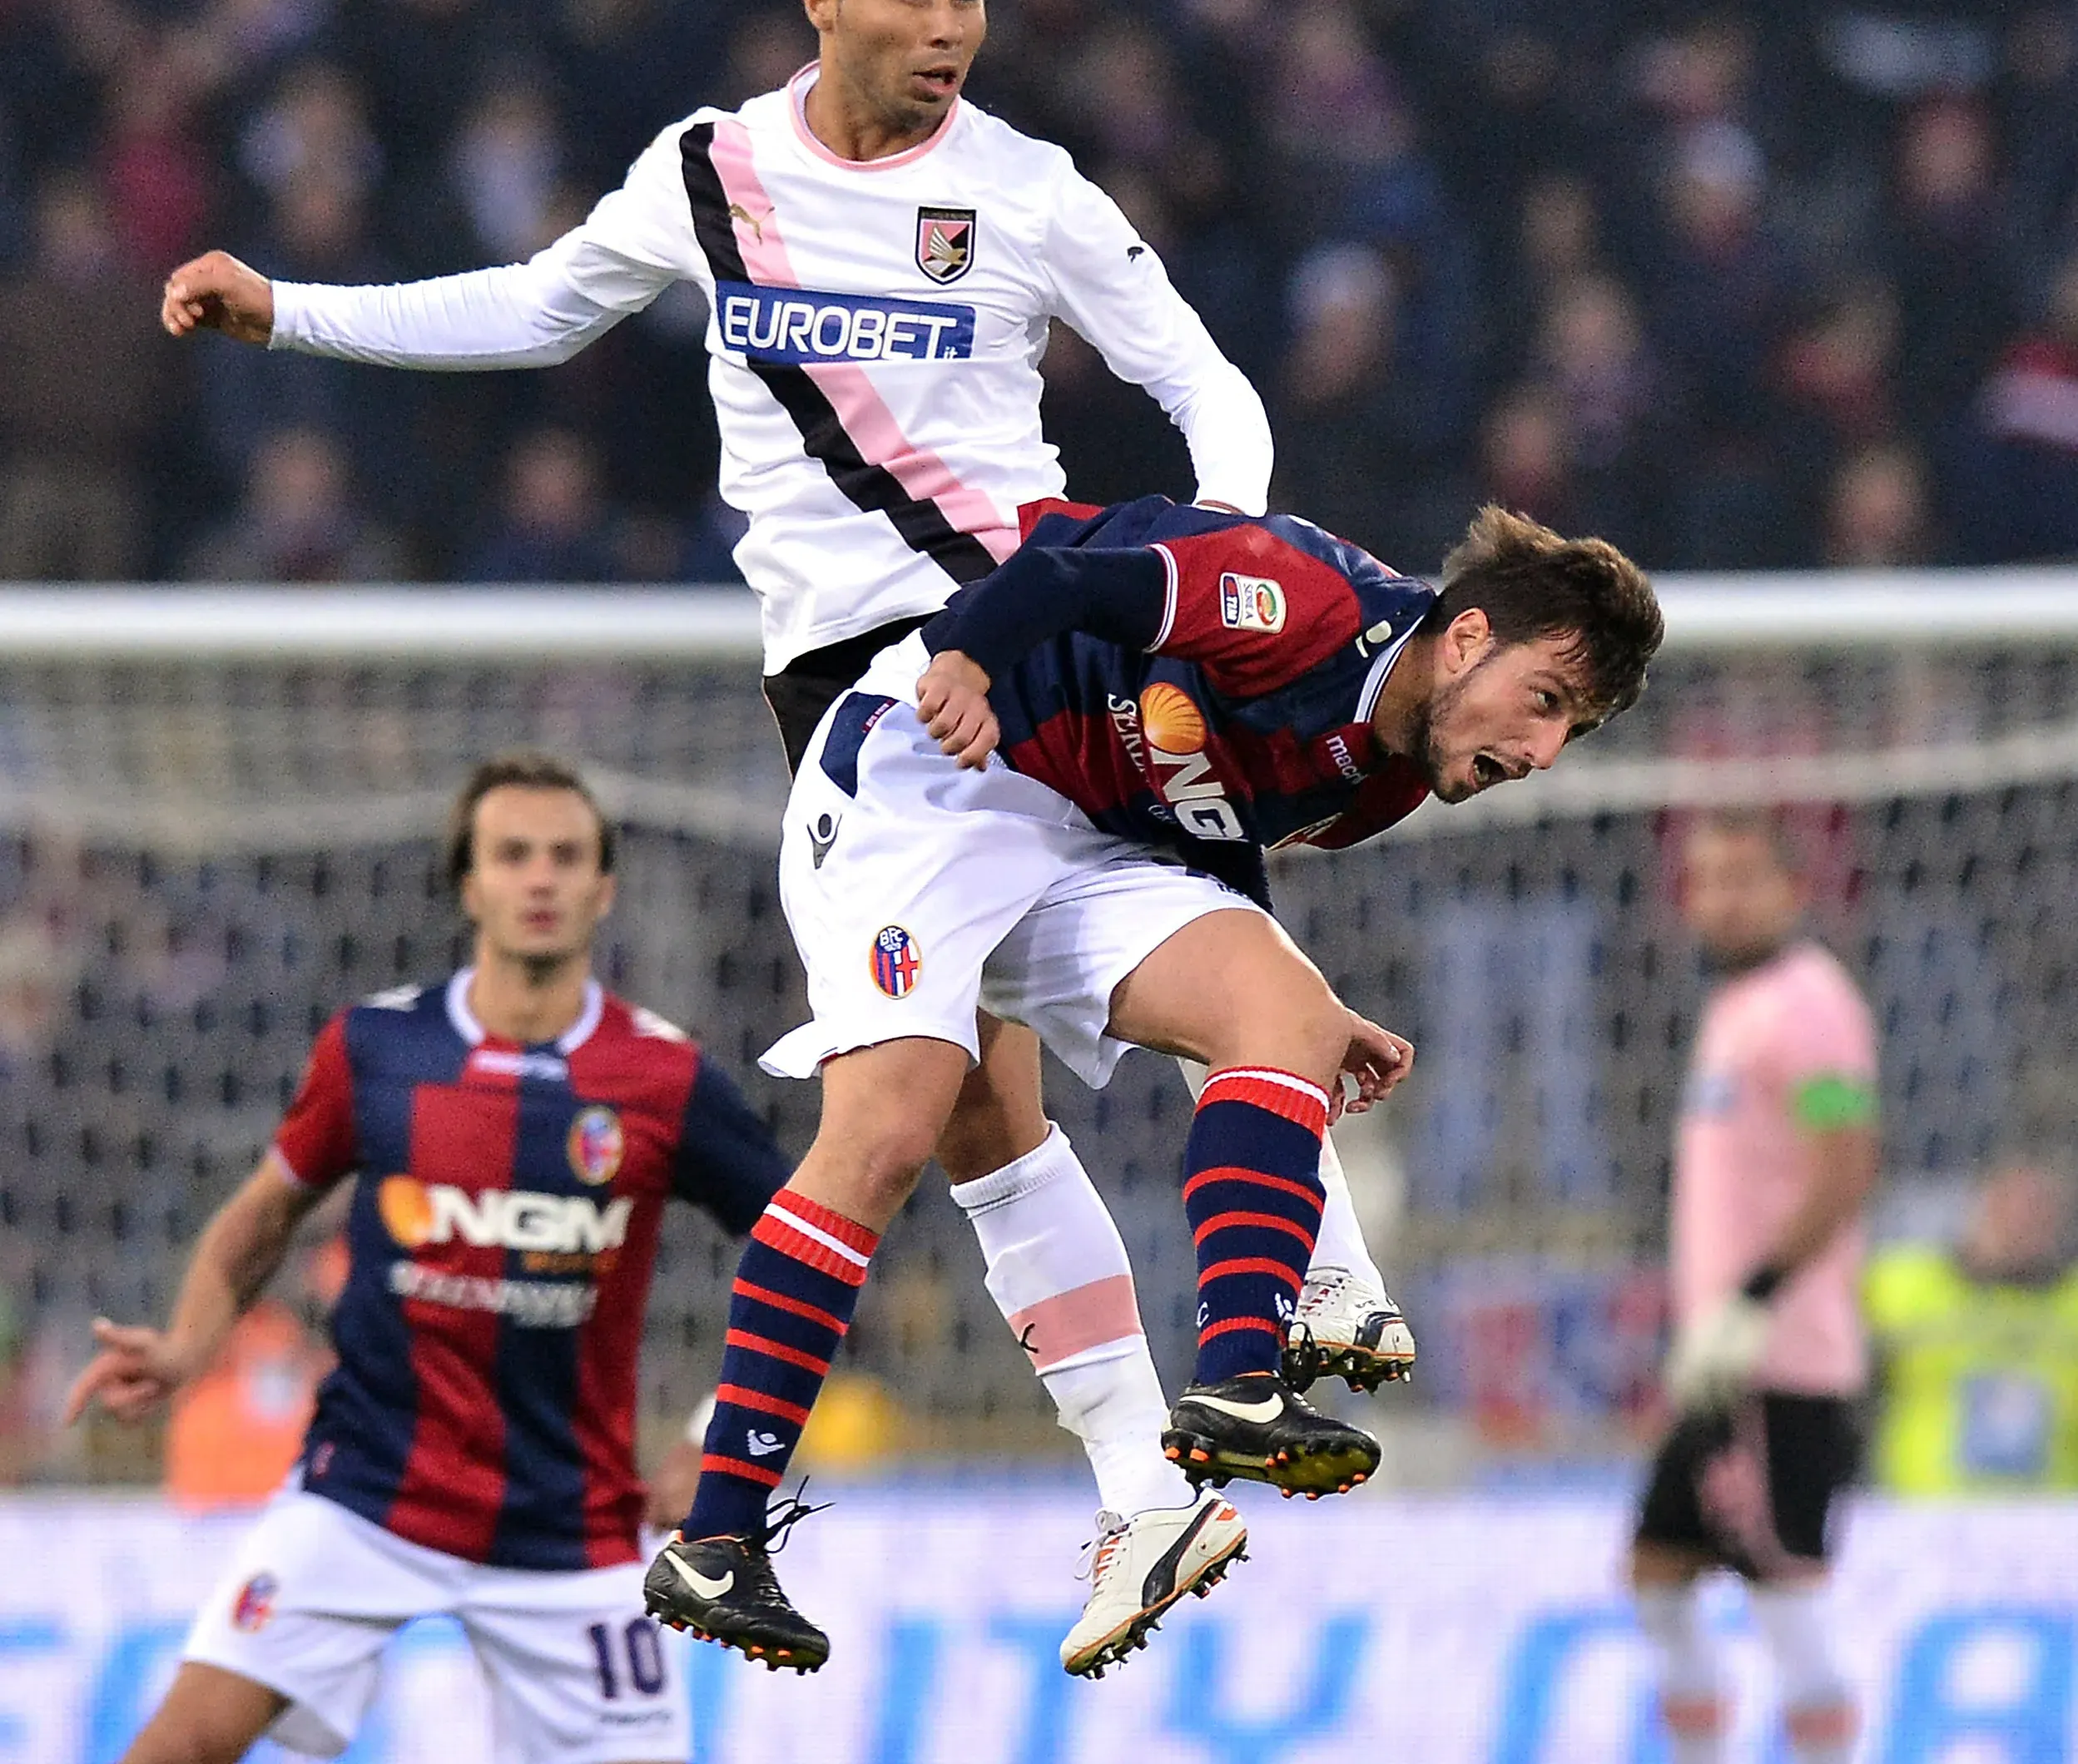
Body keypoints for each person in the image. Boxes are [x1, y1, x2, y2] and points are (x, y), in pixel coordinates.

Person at [160, 0, 1412, 1674]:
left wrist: (1208, 567)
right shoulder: (711, 174)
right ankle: (1148, 1483)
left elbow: (1205, 382)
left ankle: (1303, 1304)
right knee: (981, 1116)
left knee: (1031, 1023)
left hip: (1022, 643)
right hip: (855, 693)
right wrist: (291, 307)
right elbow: (531, 308)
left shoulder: (1027, 191)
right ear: (822, 2)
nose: (948, 32)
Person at [643, 495, 1663, 1670]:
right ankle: (717, 1535)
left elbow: (1208, 839)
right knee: (898, 1127)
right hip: (929, 770)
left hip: (1082, 832)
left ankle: (1235, 1383)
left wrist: (1291, 1012)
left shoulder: (1384, 777)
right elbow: (1071, 576)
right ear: (1471, 636)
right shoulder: (1302, 604)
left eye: (1569, 734)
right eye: (1545, 702)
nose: (1538, 755)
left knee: (1277, 1014)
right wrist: (967, 657)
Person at [65, 752, 789, 1764]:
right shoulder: (377, 1046)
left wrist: (724, 1440)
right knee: (178, 1744)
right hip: (362, 1498)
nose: (540, 878)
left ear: (603, 888)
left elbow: (809, 1250)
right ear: (470, 885)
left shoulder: (661, 1076)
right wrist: (191, 1344)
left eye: (565, 857)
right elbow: (264, 1212)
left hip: (569, 1528)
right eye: (513, 855)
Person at [1629, 813, 1881, 1764]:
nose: (1719, 901)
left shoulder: (1809, 1005)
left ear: (1793, 890)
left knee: (1785, 1587)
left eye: (1743, 879)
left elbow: (1846, 1164)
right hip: (1723, 1365)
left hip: (1779, 1360)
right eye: (1703, 881)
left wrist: (1753, 1299)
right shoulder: (1736, 1007)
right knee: (1657, 1570)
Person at [1863, 1155, 2078, 1493]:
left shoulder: (2070, 1304)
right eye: (2007, 1209)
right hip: (1922, 1506)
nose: (2020, 1227)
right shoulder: (1904, 1283)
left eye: (2037, 1214)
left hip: (2049, 1514)